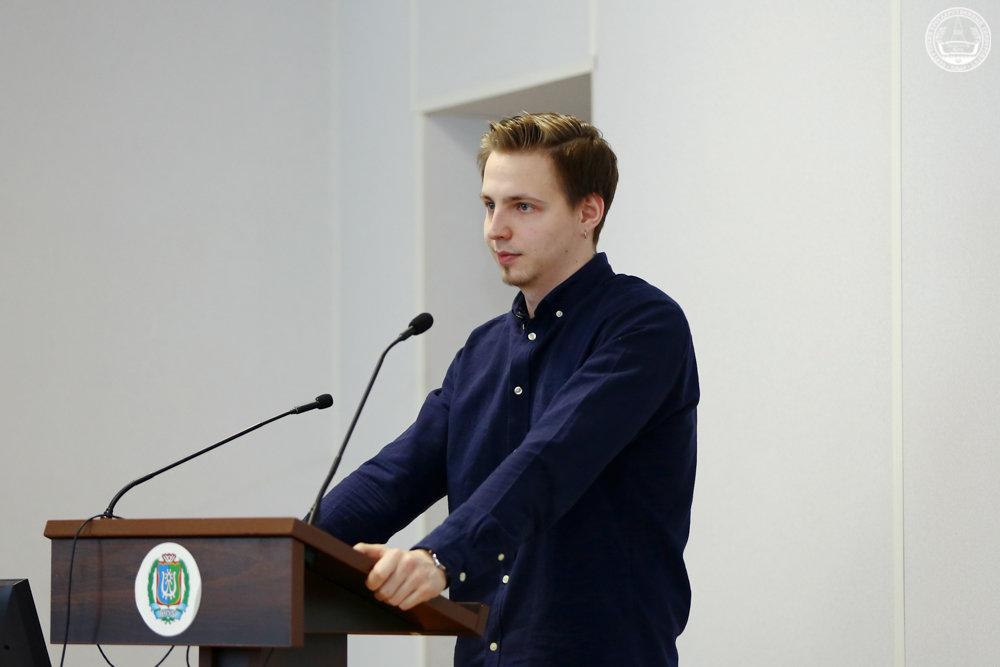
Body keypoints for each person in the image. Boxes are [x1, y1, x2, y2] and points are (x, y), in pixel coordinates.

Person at [317, 113, 699, 666]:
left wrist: (439, 557)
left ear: (588, 213)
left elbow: (552, 460)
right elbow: (394, 476)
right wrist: (285, 553)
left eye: (523, 207)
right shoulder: (483, 351)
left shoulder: (642, 326)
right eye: (489, 205)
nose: (495, 229)